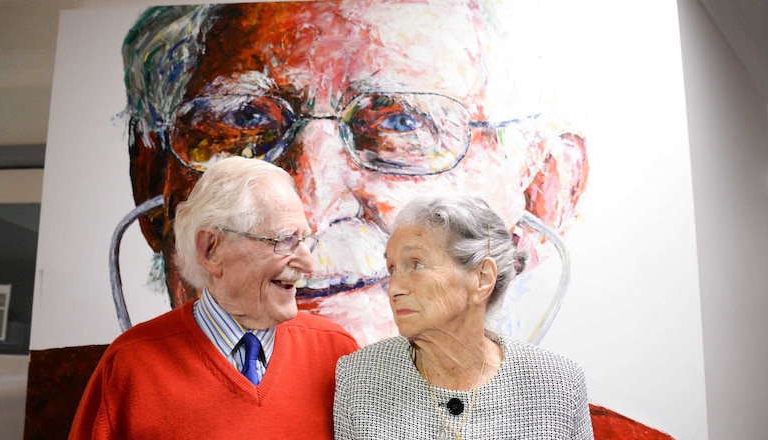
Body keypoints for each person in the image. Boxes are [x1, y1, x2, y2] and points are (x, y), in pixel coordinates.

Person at [120, 0, 589, 346]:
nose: (308, 205)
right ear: (153, 186)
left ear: (544, 192)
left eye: (401, 123)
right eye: (244, 120)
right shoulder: (108, 402)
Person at [61, 157, 360, 440]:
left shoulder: (336, 353)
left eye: (305, 240)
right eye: (284, 240)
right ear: (211, 249)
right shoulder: (129, 366)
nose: (308, 263)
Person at [333, 193, 600, 440]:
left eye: (416, 264)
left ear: (482, 278)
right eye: (392, 269)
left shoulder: (558, 385)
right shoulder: (359, 381)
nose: (394, 287)